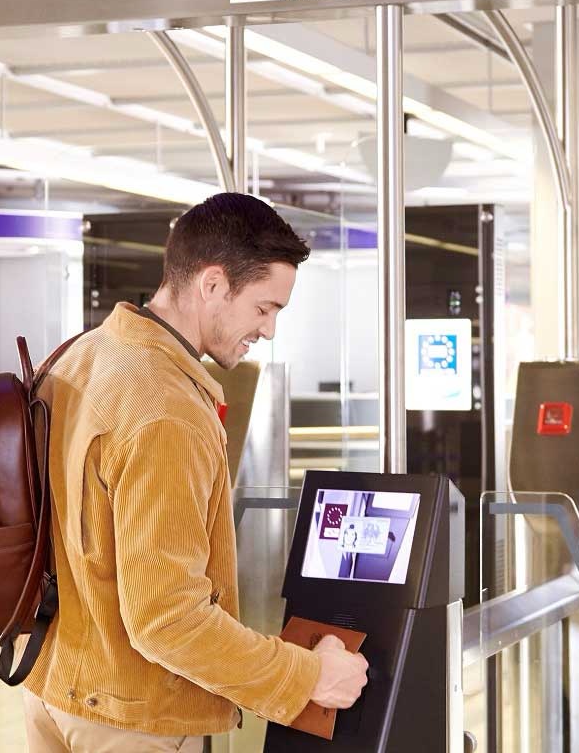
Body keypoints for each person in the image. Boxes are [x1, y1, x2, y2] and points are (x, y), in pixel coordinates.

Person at [22, 193, 370, 752]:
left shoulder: (81, 357)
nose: (269, 329)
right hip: (132, 717)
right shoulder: (166, 408)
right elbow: (167, 619)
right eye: (264, 308)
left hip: (53, 688)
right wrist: (305, 676)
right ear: (212, 284)